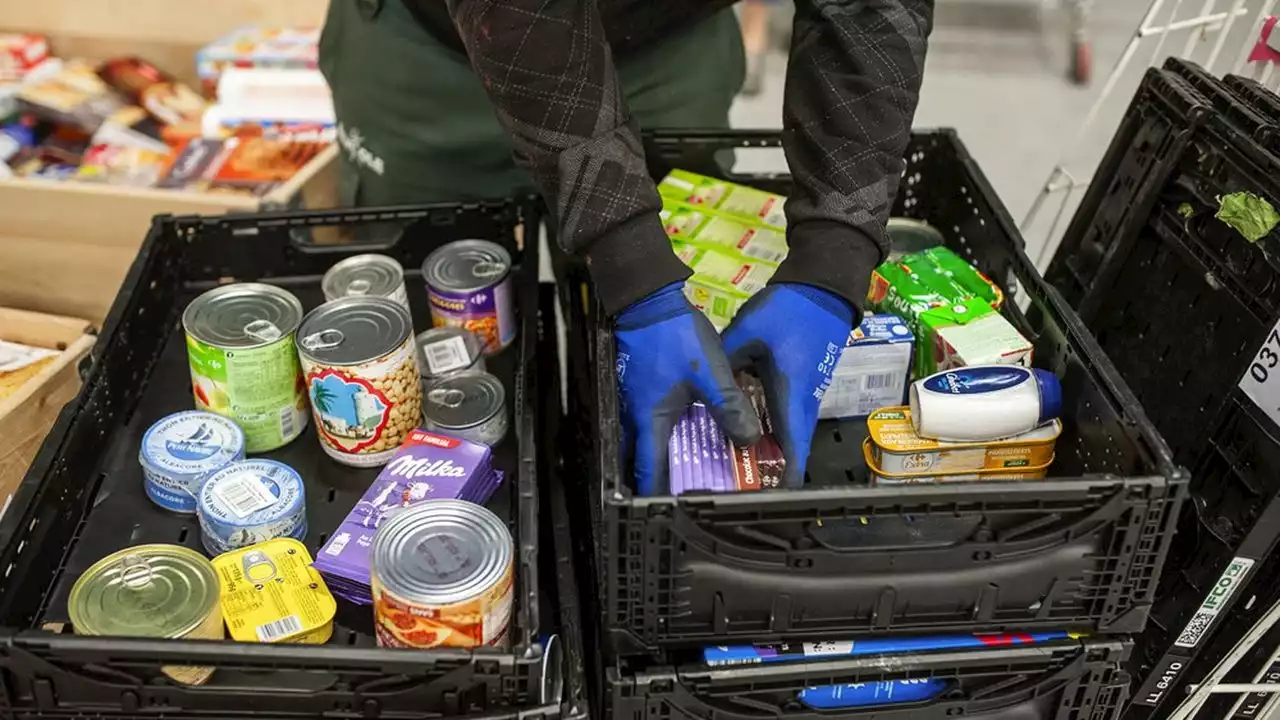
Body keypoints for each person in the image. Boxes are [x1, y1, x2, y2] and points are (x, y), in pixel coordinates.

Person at [320, 0, 934, 496]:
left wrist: (834, 250)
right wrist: (634, 265)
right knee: (414, 343)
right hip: (435, 59)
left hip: (666, 53)